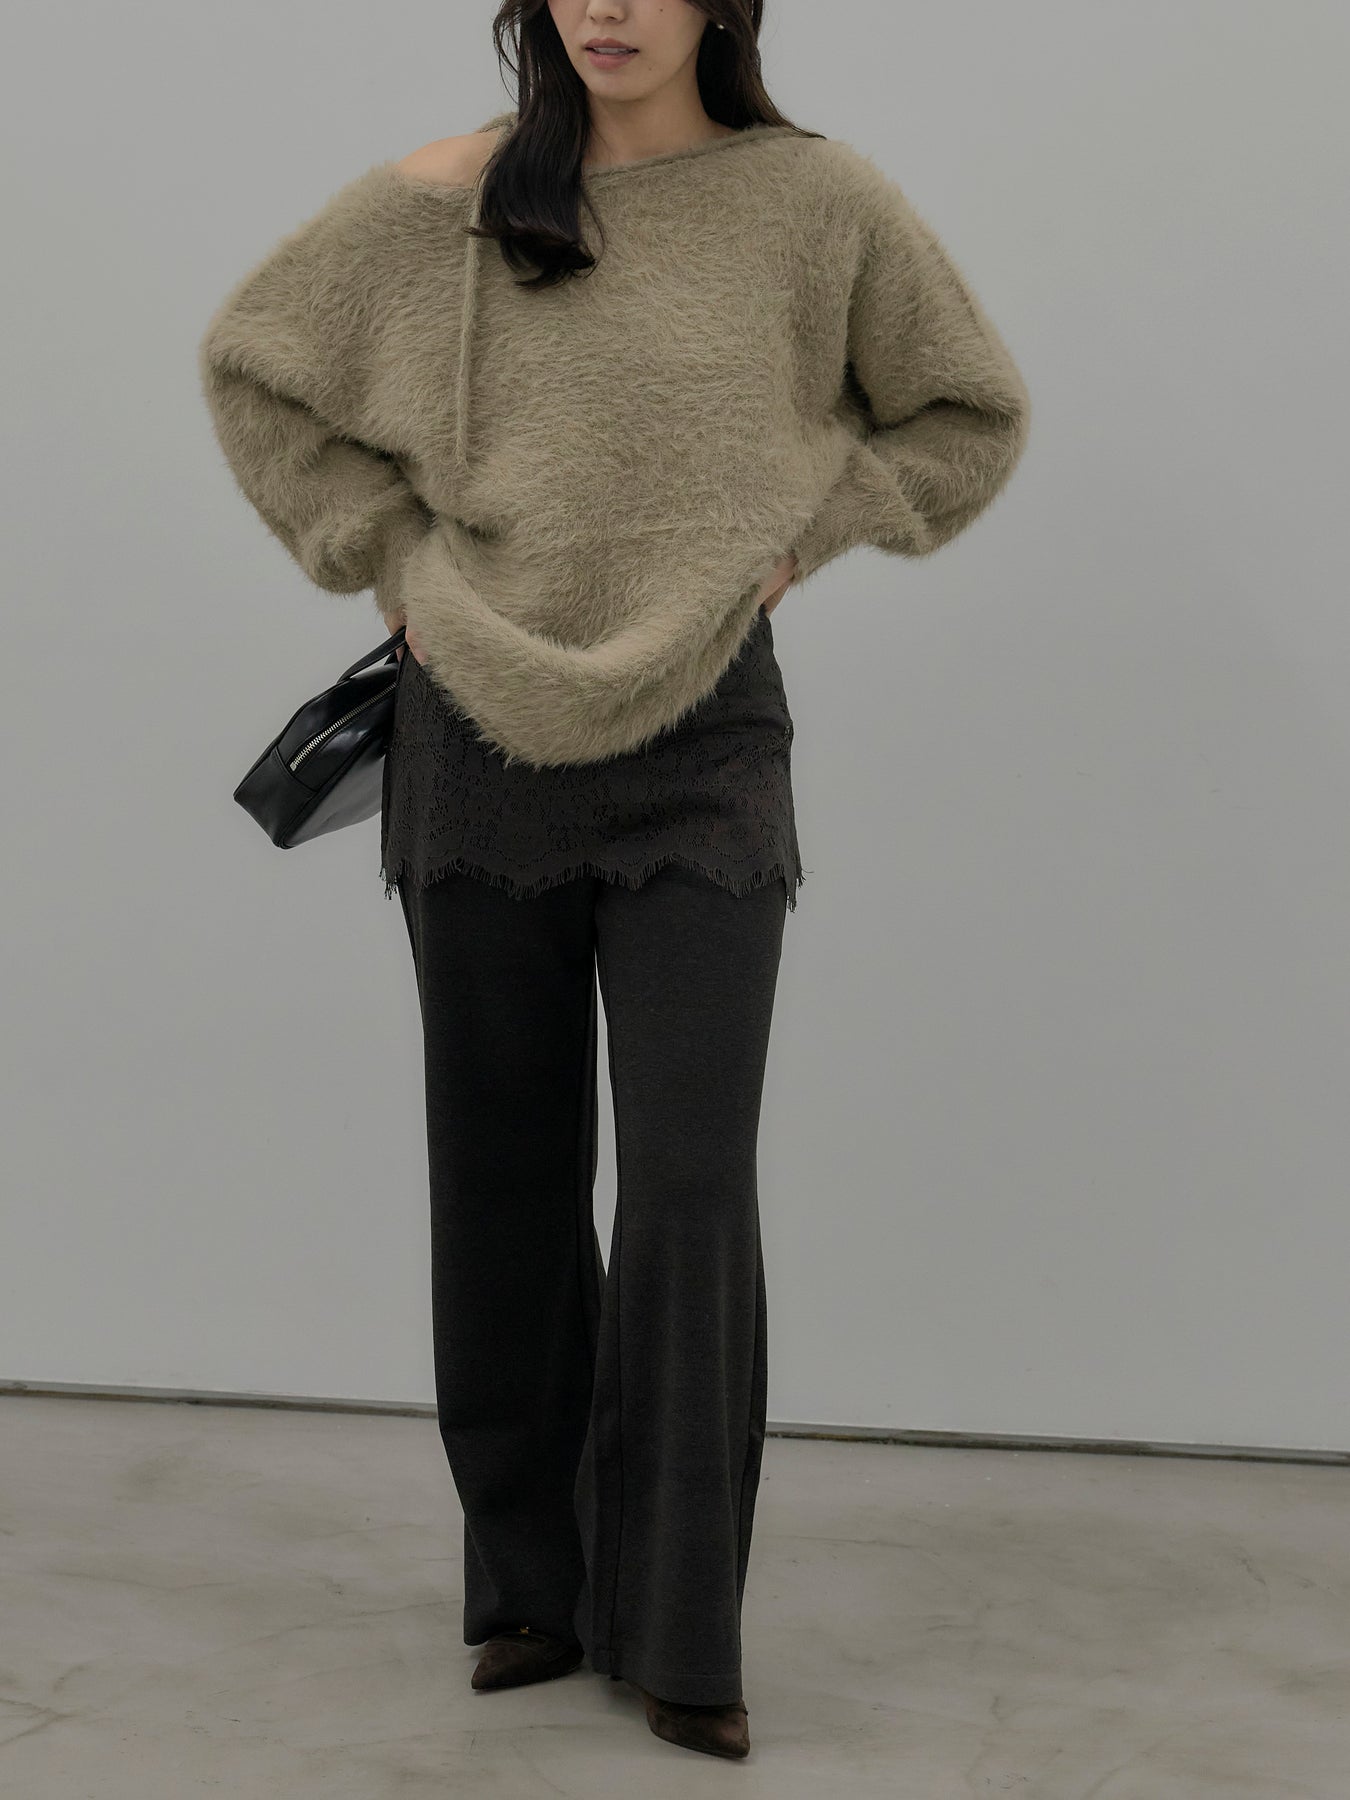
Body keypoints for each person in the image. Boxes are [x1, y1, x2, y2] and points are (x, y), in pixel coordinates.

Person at [197, 0, 1030, 1761]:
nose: (608, 6)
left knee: (687, 1190)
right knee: (502, 1178)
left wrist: (809, 530)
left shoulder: (816, 203)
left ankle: (682, 1625)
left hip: (704, 744)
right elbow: (256, 368)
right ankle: (531, 1588)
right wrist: (390, 558)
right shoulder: (449, 197)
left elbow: (966, 410)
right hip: (475, 736)